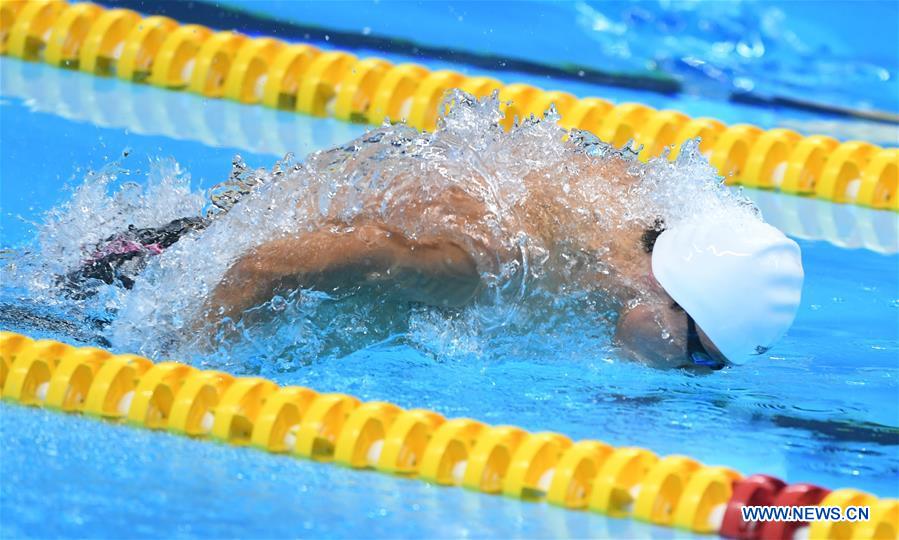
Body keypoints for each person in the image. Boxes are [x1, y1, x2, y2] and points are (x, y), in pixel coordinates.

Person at [71, 96, 805, 369]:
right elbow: (265, 267)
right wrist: (173, 379)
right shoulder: (484, 261)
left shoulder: (640, 208)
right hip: (142, 286)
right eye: (696, 360)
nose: (682, 375)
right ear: (662, 290)